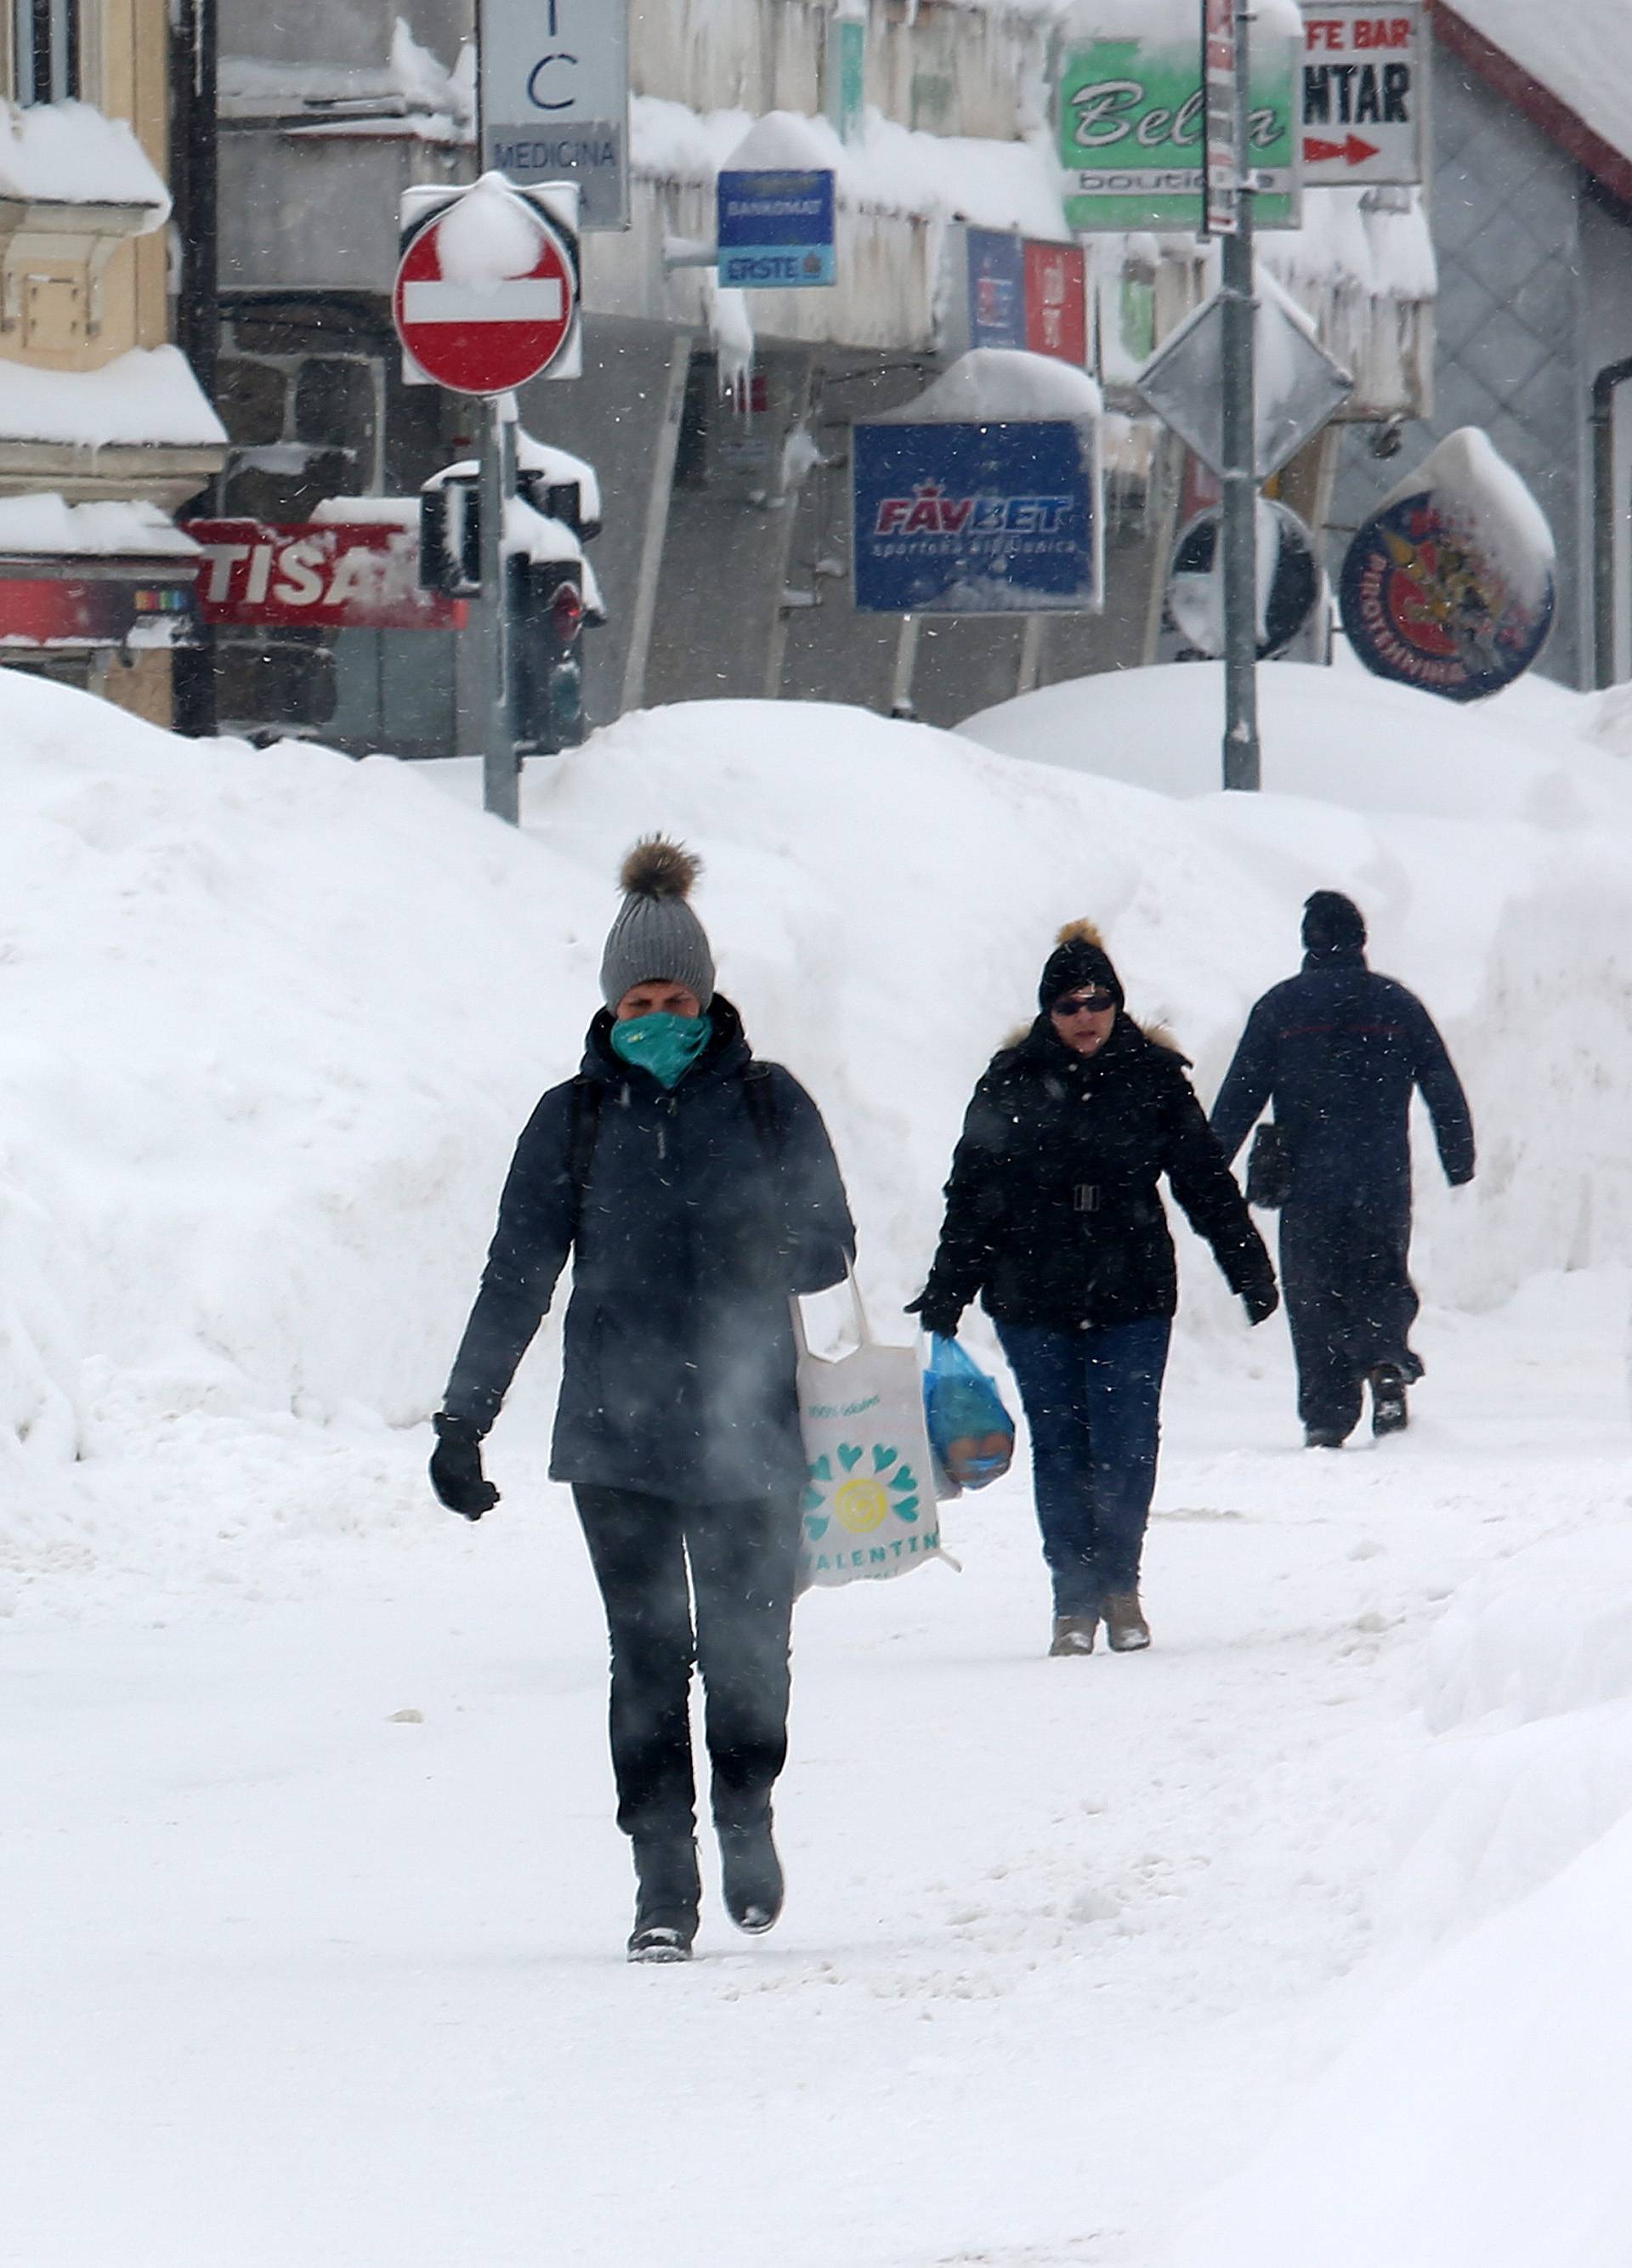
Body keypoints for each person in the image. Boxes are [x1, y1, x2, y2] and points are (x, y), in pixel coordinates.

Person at [428, 838, 855, 1965]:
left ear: (710, 1000)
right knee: (649, 1656)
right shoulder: (573, 1119)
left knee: (750, 1649)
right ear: (610, 1006)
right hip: (616, 1439)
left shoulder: (769, 1107)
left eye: (677, 998)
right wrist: (463, 1419)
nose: (658, 1016)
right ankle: (662, 1879)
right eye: (639, 999)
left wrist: (773, 1237)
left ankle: (749, 1811)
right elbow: (517, 1273)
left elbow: (831, 1249)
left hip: (752, 1428)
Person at [910, 921, 1278, 1658]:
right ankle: (1071, 1599)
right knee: (1062, 1445)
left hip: (1131, 1289)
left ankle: (1121, 1586)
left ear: (1118, 1003)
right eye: (1070, 1004)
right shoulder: (1010, 1081)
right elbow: (975, 1194)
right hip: (1033, 1292)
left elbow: (1204, 1183)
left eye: (1098, 1001)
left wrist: (1249, 1267)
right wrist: (950, 1286)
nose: (1085, 1016)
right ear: (1048, 1012)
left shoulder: (1154, 1078)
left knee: (1126, 1442)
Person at [1210, 890, 1475, 1449]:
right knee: (1380, 1278)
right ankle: (1384, 1361)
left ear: (1308, 941)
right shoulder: (1397, 1005)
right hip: (1381, 1177)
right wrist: (1459, 1157)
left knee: (1314, 1296)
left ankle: (1327, 1415)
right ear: (1360, 940)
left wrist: (1207, 1165)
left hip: (1307, 1184)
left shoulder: (1280, 1008)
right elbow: (1441, 1086)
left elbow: (1241, 1094)